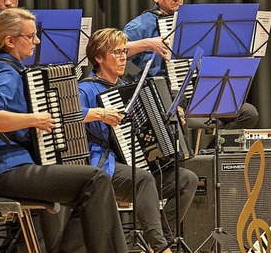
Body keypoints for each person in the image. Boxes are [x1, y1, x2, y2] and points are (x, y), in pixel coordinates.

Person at [0, 8, 128, 253]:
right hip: (3, 171)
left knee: (89, 181)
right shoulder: (4, 71)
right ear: (10, 40)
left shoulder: (12, 68)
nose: (37, 41)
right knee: (94, 180)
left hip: (13, 166)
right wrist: (34, 119)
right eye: (31, 36)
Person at [79, 28, 198, 253]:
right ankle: (161, 247)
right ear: (98, 57)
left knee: (186, 180)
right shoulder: (85, 88)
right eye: (116, 53)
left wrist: (172, 115)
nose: (123, 57)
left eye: (125, 52)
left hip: (136, 161)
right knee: (143, 180)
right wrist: (100, 113)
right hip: (104, 165)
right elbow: (70, 114)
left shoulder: (126, 89)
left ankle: (159, 240)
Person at [124, 0, 259, 129]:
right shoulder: (141, 25)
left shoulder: (197, 20)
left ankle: (208, 154)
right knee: (172, 116)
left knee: (248, 113)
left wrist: (239, 56)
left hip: (199, 92)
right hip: (164, 95)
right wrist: (148, 44)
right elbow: (114, 51)